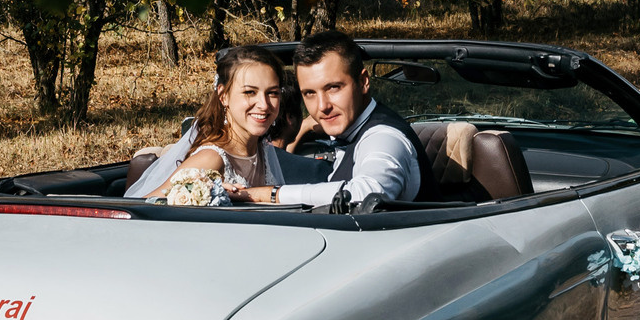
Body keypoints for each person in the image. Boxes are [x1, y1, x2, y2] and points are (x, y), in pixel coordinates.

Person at [237, 32, 422, 208]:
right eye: (309, 93)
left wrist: (272, 194)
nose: (322, 106)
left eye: (333, 88)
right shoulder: (350, 134)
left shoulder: (384, 136)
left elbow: (368, 195)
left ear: (364, 81)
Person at [128, 46, 288, 204]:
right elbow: (145, 206)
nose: (264, 104)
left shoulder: (263, 150)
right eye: (249, 92)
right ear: (223, 96)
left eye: (272, 93)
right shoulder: (211, 158)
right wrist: (205, 194)